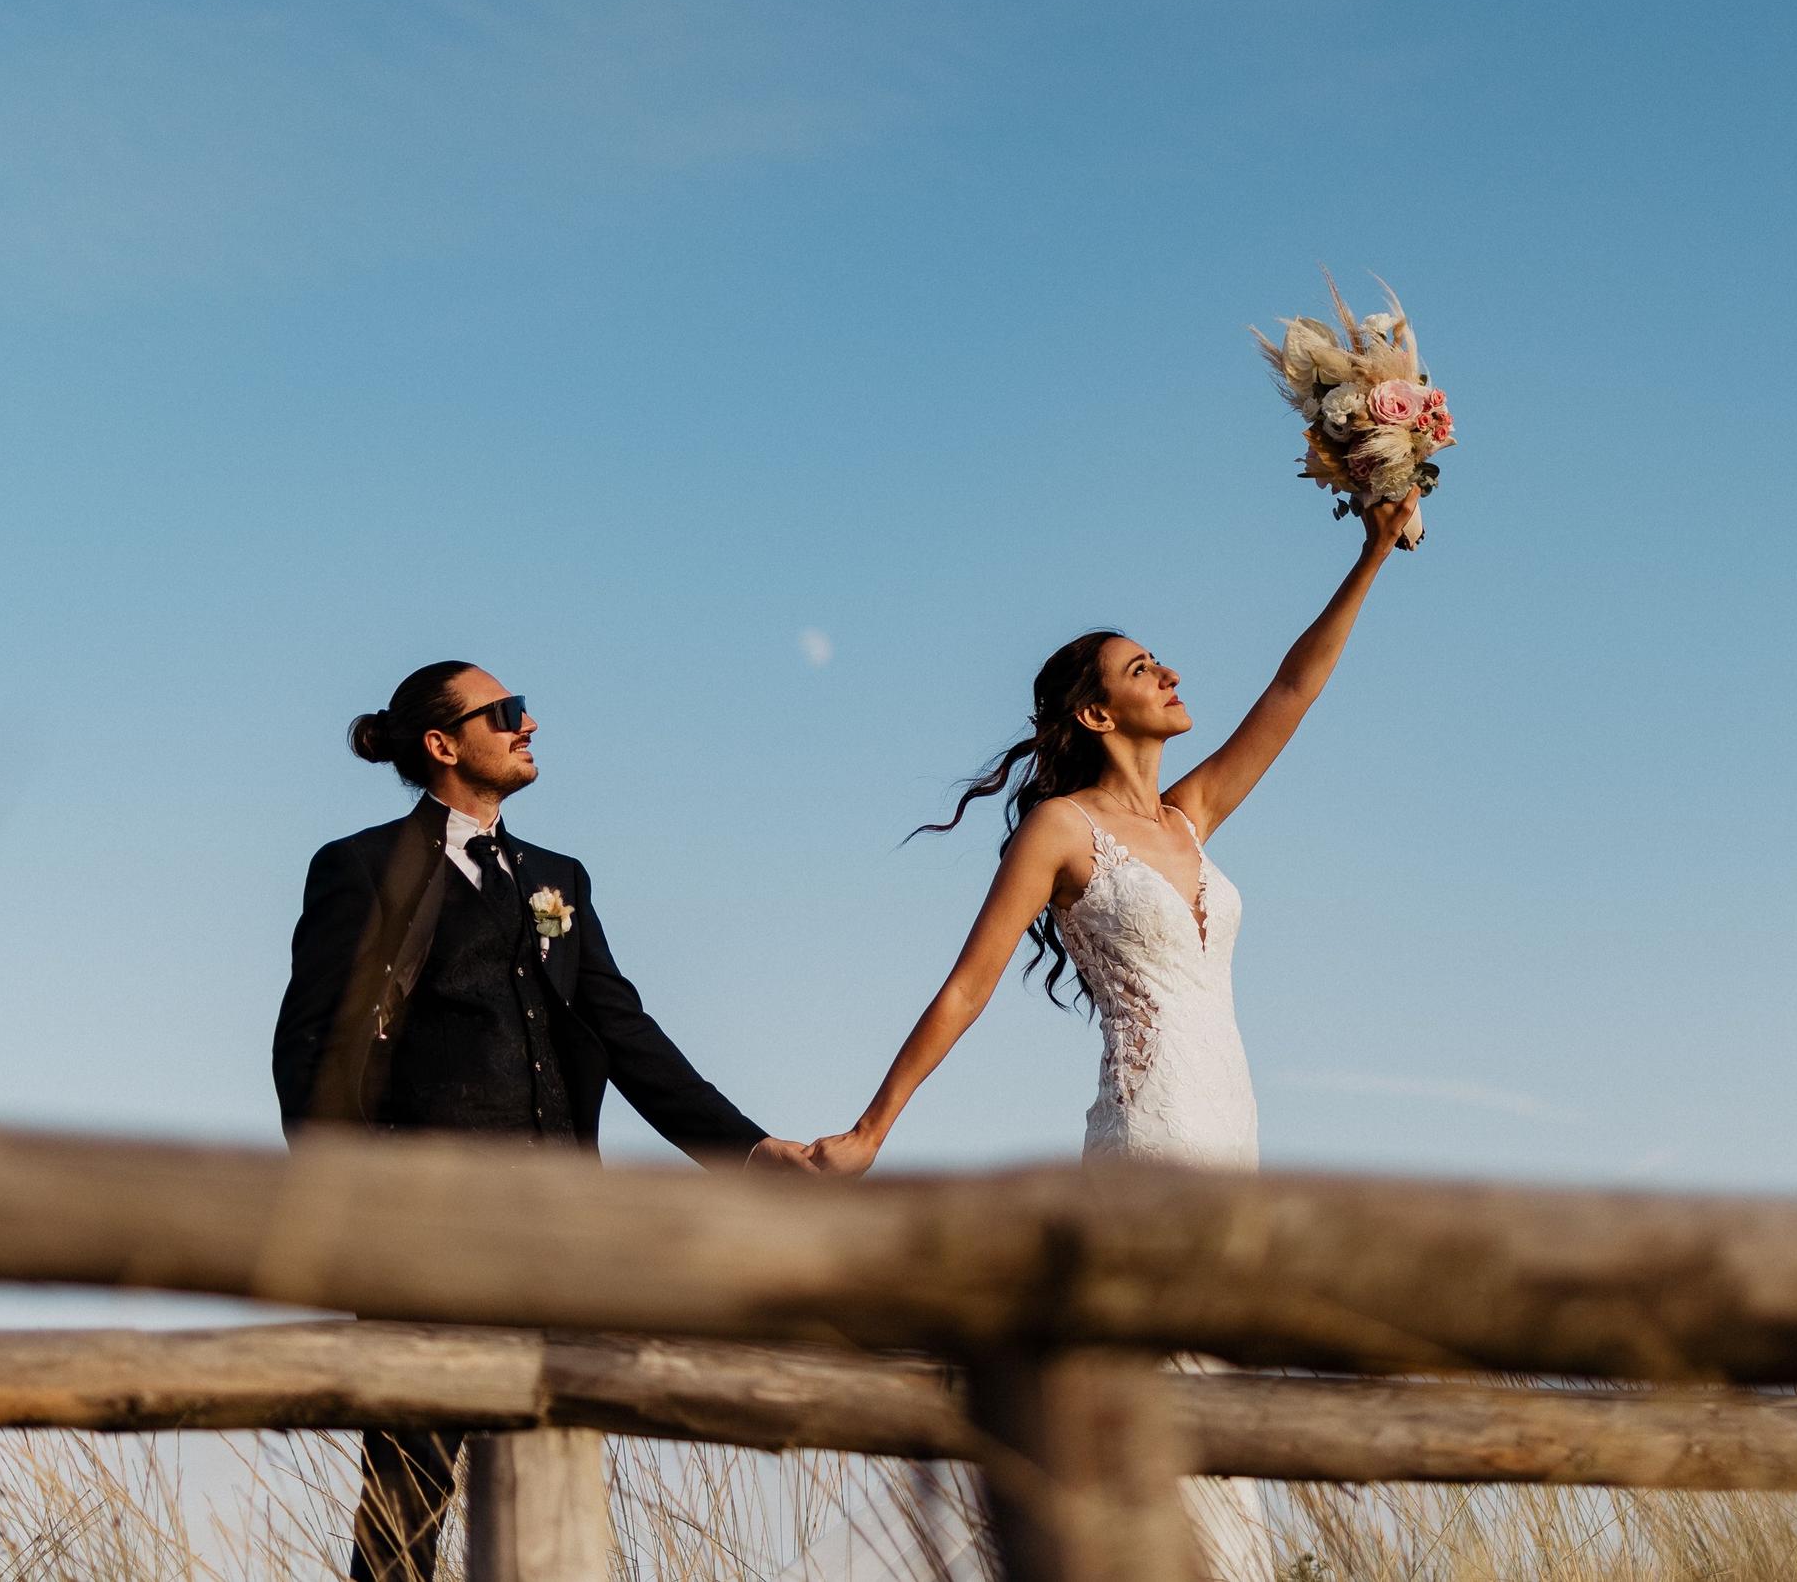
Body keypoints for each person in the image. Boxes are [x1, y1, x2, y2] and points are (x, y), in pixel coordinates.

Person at [802, 491, 1419, 1580]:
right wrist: (869, 1129)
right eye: (1142, 669)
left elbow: (1293, 688)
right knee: (1169, 1387)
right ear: (1094, 714)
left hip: (1234, 1131)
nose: (1169, 675)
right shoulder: (1060, 830)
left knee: (1218, 1390)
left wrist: (1372, 551)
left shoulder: (1192, 815)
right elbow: (965, 988)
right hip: (1151, 1128)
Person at [273, 660, 807, 1582]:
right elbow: (309, 1051)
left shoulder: (558, 879)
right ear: (442, 744)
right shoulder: (360, 867)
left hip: (563, 1226)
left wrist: (750, 1151)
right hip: (424, 1228)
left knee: (556, 1471)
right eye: (506, 712)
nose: (529, 724)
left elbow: (624, 1030)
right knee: (408, 1493)